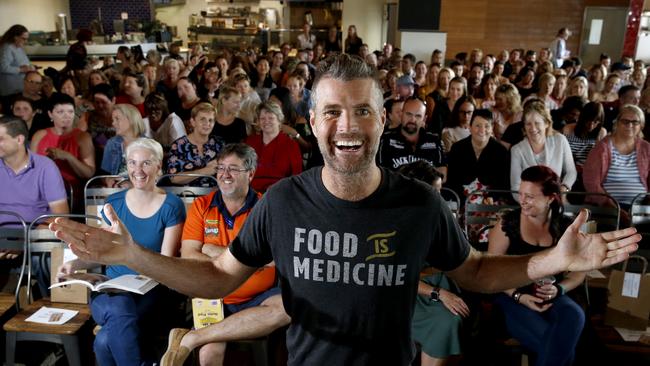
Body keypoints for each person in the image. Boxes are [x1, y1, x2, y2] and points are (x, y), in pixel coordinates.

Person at [50, 54, 640, 366]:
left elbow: (477, 272)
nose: (347, 127)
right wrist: (134, 253)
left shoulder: (419, 203)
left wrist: (550, 261)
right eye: (332, 111)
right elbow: (217, 275)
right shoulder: (283, 201)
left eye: (362, 112)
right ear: (313, 122)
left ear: (383, 120)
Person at [56, 137, 185, 366]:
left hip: (149, 290)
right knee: (119, 306)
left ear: (158, 166)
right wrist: (73, 266)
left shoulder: (172, 205)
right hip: (110, 290)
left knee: (105, 340)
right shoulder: (113, 202)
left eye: (146, 163)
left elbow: (165, 263)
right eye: (132, 163)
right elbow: (99, 250)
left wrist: (135, 259)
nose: (138, 170)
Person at [161, 143, 290, 366]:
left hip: (257, 298)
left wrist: (212, 251)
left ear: (250, 173)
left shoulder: (265, 207)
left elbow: (273, 260)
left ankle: (192, 337)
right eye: (221, 168)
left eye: (233, 168)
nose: (225, 175)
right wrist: (249, 259)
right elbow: (190, 256)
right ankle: (204, 337)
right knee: (209, 355)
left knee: (288, 307)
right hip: (212, 297)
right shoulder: (202, 205)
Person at [488, 165, 587, 366]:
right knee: (555, 341)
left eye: (530, 196)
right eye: (521, 194)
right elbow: (491, 272)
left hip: (550, 293)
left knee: (575, 315)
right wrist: (519, 296)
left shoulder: (565, 226)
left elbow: (579, 273)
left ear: (550, 198)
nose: (522, 201)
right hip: (511, 294)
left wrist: (559, 289)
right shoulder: (507, 224)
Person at [401, 161, 469, 366]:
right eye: (435, 192)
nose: (440, 199)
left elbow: (460, 255)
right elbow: (397, 275)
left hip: (447, 282)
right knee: (448, 321)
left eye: (440, 192)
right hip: (410, 293)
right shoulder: (394, 220)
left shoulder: (439, 216)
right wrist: (439, 293)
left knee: (463, 316)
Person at [0, 115, 68, 226]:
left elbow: (61, 216)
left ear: (19, 139)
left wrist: (31, 239)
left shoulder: (45, 167)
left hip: (35, 238)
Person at [583, 104, 650, 210]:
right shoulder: (602, 148)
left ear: (641, 126)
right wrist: (609, 205)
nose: (630, 125)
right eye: (625, 121)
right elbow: (591, 182)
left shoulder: (646, 148)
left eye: (635, 122)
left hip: (641, 207)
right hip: (608, 208)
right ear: (617, 123)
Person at [510, 99, 576, 197]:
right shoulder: (516, 150)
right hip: (529, 202)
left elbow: (571, 172)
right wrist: (529, 203)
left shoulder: (560, 140)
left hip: (556, 198)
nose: (532, 128)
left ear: (546, 124)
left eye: (537, 123)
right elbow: (515, 187)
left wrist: (564, 188)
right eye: (528, 124)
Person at [31, 93, 96, 190]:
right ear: (50, 114)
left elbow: (89, 173)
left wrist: (68, 157)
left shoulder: (82, 137)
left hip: (71, 192)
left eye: (70, 112)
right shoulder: (40, 135)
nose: (67, 116)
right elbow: (31, 167)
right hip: (42, 189)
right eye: (60, 112)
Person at [446, 109, 510, 202]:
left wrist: (491, 197)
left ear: (492, 128)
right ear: (470, 127)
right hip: (462, 199)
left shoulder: (500, 151)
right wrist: (465, 201)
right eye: (477, 126)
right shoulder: (457, 148)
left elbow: (503, 183)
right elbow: (452, 181)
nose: (482, 130)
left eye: (487, 126)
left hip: (491, 200)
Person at [378, 97, 446, 177]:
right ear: (402, 114)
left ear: (424, 119)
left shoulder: (434, 140)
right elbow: (380, 173)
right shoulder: (385, 140)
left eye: (418, 116)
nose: (412, 120)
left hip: (427, 188)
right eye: (409, 114)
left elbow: (443, 174)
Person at [245, 101, 302, 192]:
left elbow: (297, 176)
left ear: (279, 121)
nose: (266, 121)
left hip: (279, 193)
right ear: (258, 122)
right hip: (251, 192)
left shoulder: (291, 145)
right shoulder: (250, 142)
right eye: (262, 118)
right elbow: (243, 170)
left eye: (271, 118)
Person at [167, 103, 225, 186]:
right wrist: (205, 171)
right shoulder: (179, 145)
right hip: (187, 195)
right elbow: (173, 178)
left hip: (215, 194)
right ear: (193, 122)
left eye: (210, 120)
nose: (207, 124)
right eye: (202, 119)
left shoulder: (219, 144)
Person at [101, 104, 146, 175]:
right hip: (117, 185)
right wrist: (107, 180)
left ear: (131, 119)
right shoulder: (111, 143)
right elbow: (105, 173)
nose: (113, 123)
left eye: (117, 119)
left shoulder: (148, 145)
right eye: (113, 120)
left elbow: (153, 175)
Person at [0, 24, 34, 107]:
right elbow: (3, 67)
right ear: (15, 37)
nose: (25, 41)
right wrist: (22, 69)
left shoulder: (18, 47)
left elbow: (22, 62)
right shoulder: (7, 48)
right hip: (10, 90)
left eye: (26, 39)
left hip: (19, 87)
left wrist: (30, 67)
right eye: (23, 39)